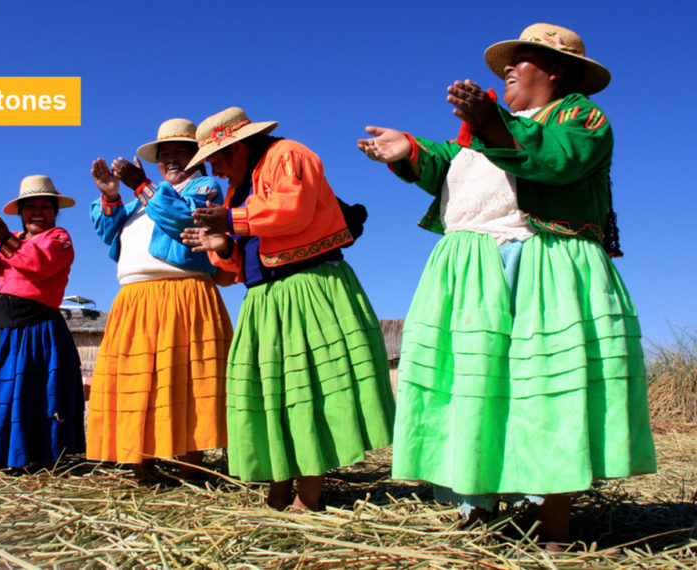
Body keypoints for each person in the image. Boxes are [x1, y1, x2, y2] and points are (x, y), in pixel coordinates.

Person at [358, 23, 656, 542]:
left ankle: (551, 524)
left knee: (542, 387)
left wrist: (491, 122)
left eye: (522, 59)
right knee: (472, 387)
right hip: (471, 265)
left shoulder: (580, 117)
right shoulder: (487, 129)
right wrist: (408, 149)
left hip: (543, 261)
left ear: (555, 70)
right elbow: (453, 166)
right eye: (509, 62)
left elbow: (558, 159)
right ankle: (478, 512)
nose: (509, 69)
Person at [182, 107, 394, 511]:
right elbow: (238, 262)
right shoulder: (236, 187)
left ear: (236, 147)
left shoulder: (289, 155)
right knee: (273, 395)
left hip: (307, 287)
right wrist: (222, 245)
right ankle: (277, 489)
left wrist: (231, 219)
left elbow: (292, 210)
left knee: (310, 389)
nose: (216, 171)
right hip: (264, 299)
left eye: (216, 159)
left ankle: (307, 496)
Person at [87, 118, 233, 481]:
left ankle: (191, 466)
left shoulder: (204, 188)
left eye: (181, 152)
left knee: (187, 378)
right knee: (139, 383)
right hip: (135, 301)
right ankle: (142, 463)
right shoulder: (141, 200)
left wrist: (142, 187)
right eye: (164, 155)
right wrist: (112, 196)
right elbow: (108, 233)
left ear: (197, 157)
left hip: (184, 295)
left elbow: (185, 221)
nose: (171, 160)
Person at [0, 175, 85, 470]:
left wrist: (5, 240)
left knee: (33, 396)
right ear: (20, 212)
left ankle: (38, 459)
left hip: (35, 332)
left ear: (55, 212)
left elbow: (39, 264)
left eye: (45, 206)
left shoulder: (59, 239)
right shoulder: (10, 240)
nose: (37, 212)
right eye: (30, 206)